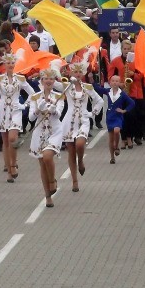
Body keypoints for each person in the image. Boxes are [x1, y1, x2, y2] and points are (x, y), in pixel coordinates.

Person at [0, 53, 34, 182]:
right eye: (8, 63)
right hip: (2, 110)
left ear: (15, 64)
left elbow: (32, 93)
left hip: (15, 111)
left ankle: (14, 164)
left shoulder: (20, 79)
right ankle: (9, 170)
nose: (10, 65)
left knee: (12, 138)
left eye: (12, 63)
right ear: (5, 64)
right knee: (6, 141)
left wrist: (24, 105)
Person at [59, 59, 103, 192]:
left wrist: (92, 113)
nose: (78, 74)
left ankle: (81, 161)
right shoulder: (67, 86)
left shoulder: (87, 87)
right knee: (71, 152)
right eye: (75, 71)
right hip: (69, 121)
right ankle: (74, 181)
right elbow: (51, 83)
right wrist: (58, 72)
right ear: (71, 72)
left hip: (83, 121)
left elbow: (99, 101)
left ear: (83, 73)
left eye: (80, 71)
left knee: (79, 144)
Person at [28, 66, 65, 208]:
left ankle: (52, 180)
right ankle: (48, 196)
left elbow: (58, 114)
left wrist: (53, 108)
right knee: (42, 163)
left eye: (51, 78)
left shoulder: (60, 96)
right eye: (46, 78)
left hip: (55, 131)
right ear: (41, 80)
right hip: (40, 132)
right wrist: (39, 108)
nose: (48, 81)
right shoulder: (35, 97)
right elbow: (31, 118)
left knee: (48, 156)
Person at [93, 75, 134, 164]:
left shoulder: (122, 94)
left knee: (117, 130)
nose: (115, 82)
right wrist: (91, 79)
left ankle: (116, 146)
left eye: (117, 81)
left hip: (118, 116)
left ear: (120, 83)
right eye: (113, 81)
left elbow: (132, 103)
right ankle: (112, 157)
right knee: (111, 138)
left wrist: (124, 110)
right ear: (110, 83)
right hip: (110, 116)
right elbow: (98, 89)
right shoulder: (108, 91)